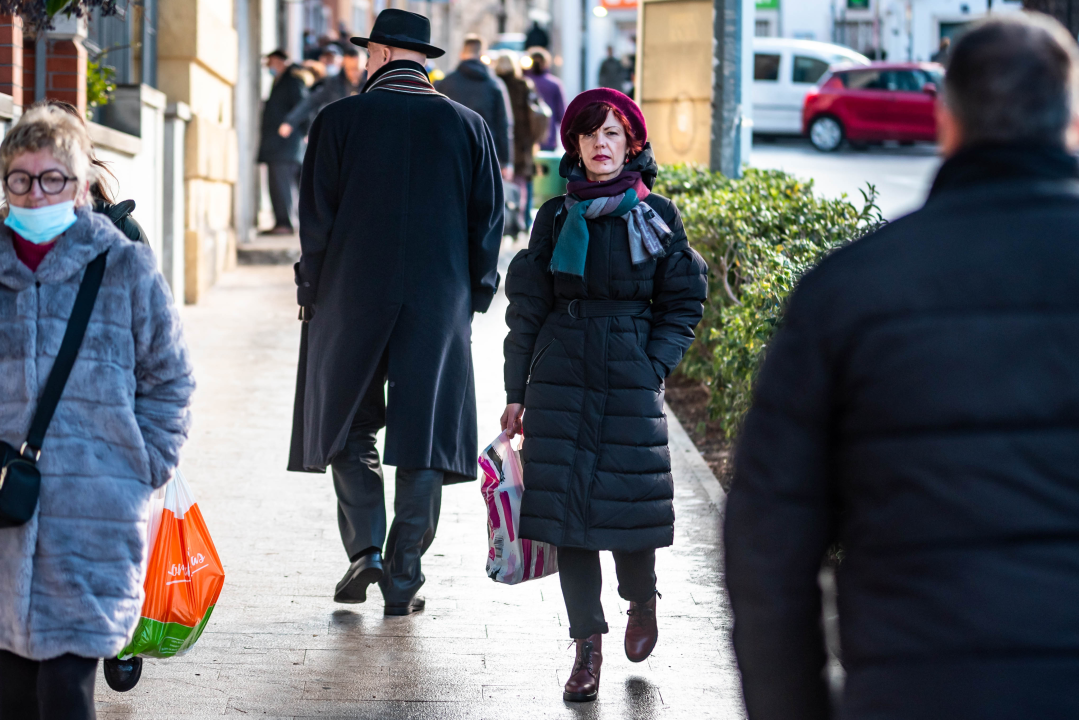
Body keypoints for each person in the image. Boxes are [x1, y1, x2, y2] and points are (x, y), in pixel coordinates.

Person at [725, 14, 1079, 720]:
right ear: (1070, 124)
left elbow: (767, 540)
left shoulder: (848, 290)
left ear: (945, 121)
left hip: (914, 687)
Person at [288, 9, 503, 617]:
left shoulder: (337, 121)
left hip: (349, 295)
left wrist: (311, 291)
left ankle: (367, 550)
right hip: (438, 299)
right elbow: (488, 222)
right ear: (422, 60)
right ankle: (405, 573)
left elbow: (315, 221)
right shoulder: (468, 126)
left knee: (349, 424)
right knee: (425, 432)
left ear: (378, 54)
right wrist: (475, 294)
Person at [501, 88, 707, 702]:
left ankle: (640, 598)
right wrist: (517, 391)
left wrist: (653, 365)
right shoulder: (555, 217)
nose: (601, 144)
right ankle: (586, 647)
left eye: (613, 133)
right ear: (575, 144)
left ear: (632, 143)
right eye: (591, 134)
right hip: (561, 372)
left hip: (628, 370)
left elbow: (682, 301)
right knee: (568, 517)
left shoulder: (658, 215)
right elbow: (527, 308)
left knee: (630, 506)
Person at [0, 104, 194, 720]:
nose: (36, 193)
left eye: (51, 178)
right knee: (9, 695)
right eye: (21, 179)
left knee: (64, 694)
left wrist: (140, 468)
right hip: (2, 514)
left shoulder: (124, 268)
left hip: (93, 520)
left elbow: (171, 379)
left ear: (81, 185)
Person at [436, 35, 514, 180]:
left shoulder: (445, 83)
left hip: (451, 154)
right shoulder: (494, 84)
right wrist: (507, 161)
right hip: (486, 154)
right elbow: (503, 124)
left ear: (461, 54)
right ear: (482, 55)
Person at [257, 49, 313, 235]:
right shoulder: (279, 80)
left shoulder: (293, 80)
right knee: (276, 184)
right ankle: (282, 222)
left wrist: (299, 128)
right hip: (277, 145)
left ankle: (286, 223)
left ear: (280, 61)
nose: (269, 66)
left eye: (271, 62)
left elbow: (304, 106)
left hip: (286, 145)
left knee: (282, 185)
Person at [494, 54, 542, 231]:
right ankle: (523, 223)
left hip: (500, 144)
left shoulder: (494, 85)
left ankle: (503, 224)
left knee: (499, 185)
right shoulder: (523, 86)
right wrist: (534, 139)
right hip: (522, 143)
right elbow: (537, 115)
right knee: (523, 183)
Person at [280, 44, 368, 140]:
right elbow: (312, 101)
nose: (353, 73)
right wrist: (290, 121)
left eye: (356, 69)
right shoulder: (334, 83)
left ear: (365, 65)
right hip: (341, 135)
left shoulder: (373, 83)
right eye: (349, 69)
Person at [525, 46, 567, 151]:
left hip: (526, 138)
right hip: (548, 136)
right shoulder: (554, 84)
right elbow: (561, 114)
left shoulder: (523, 83)